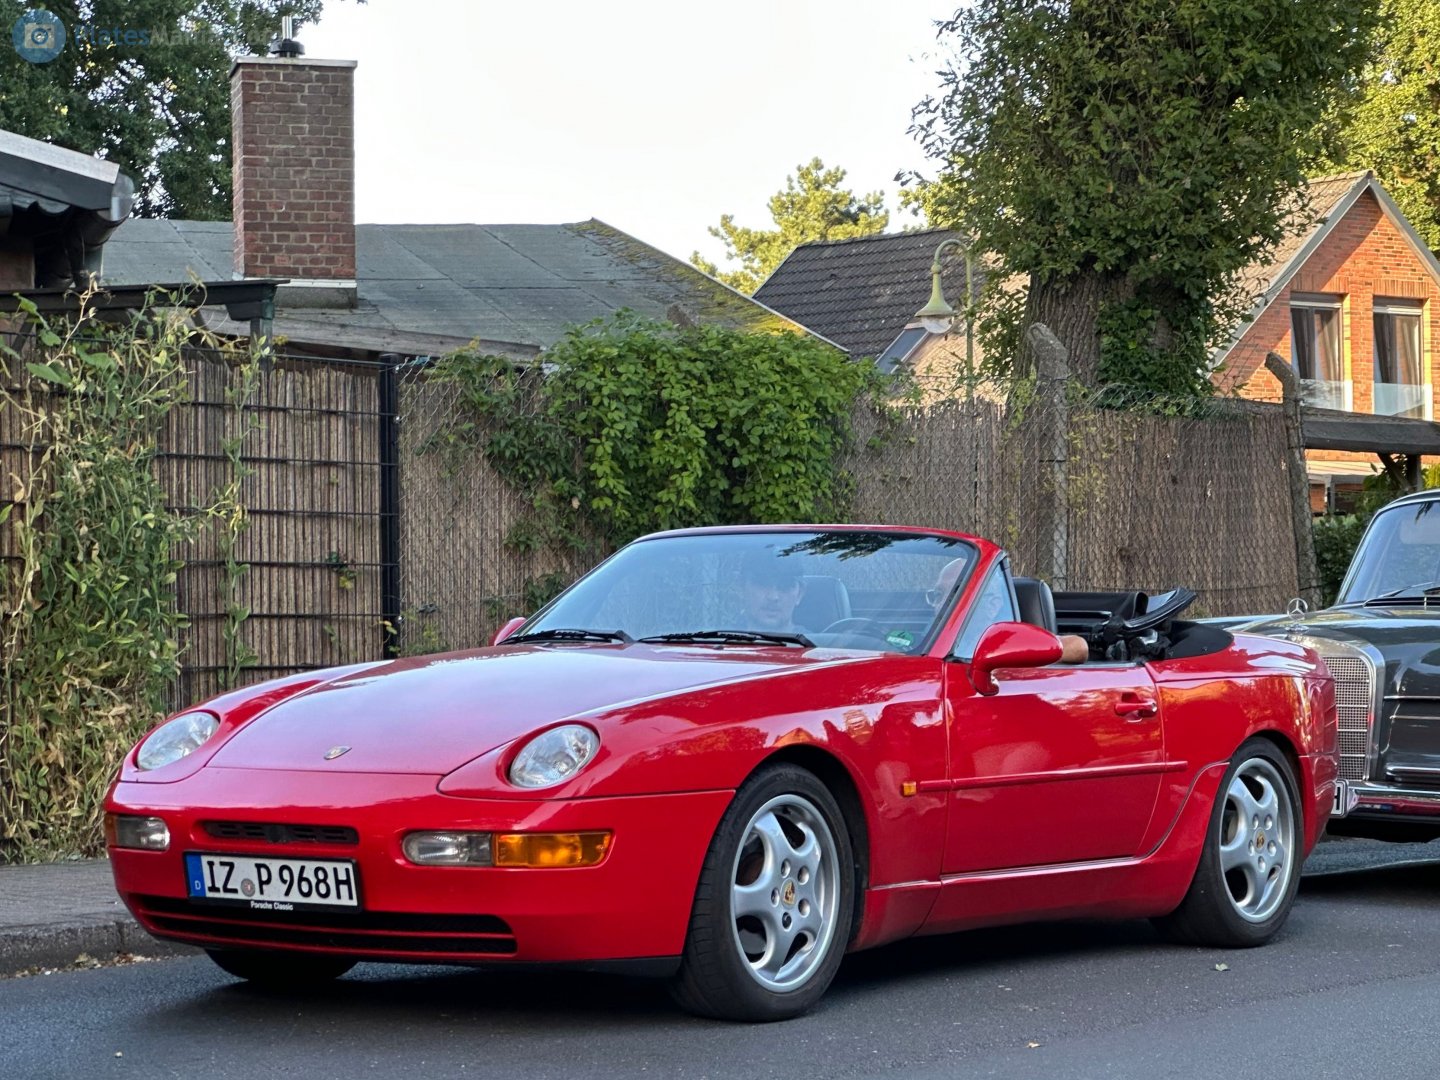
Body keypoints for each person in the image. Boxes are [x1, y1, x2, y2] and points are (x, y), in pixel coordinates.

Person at [929, 560, 1088, 663]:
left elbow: (1079, 646)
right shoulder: (926, 641)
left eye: (953, 596)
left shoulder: (1004, 641)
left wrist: (1024, 652)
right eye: (938, 595)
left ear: (993, 604)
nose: (940, 605)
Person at [738, 550, 806, 633]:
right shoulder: (719, 640)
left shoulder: (820, 644)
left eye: (785, 586)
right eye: (762, 583)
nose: (773, 597)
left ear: (799, 594)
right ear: (742, 587)